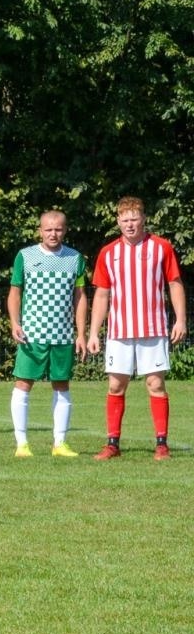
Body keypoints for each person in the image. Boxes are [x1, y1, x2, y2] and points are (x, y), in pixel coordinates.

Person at [86, 196, 186, 461]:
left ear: (144, 219)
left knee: (155, 384)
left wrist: (180, 319)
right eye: (125, 219)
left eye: (134, 219)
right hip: (119, 331)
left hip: (153, 329)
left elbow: (174, 283)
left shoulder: (161, 247)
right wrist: (94, 331)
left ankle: (162, 444)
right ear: (118, 221)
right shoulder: (109, 252)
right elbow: (102, 295)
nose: (130, 224)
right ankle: (112, 444)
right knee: (116, 385)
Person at [7, 211, 87, 458]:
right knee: (23, 384)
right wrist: (15, 323)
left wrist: (81, 333)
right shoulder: (25, 256)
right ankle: (22, 444)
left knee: (62, 386)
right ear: (40, 230)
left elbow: (80, 296)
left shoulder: (75, 258)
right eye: (48, 229)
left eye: (59, 229)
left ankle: (59, 444)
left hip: (62, 335)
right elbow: (15, 292)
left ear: (65, 230)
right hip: (32, 335)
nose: (54, 234)